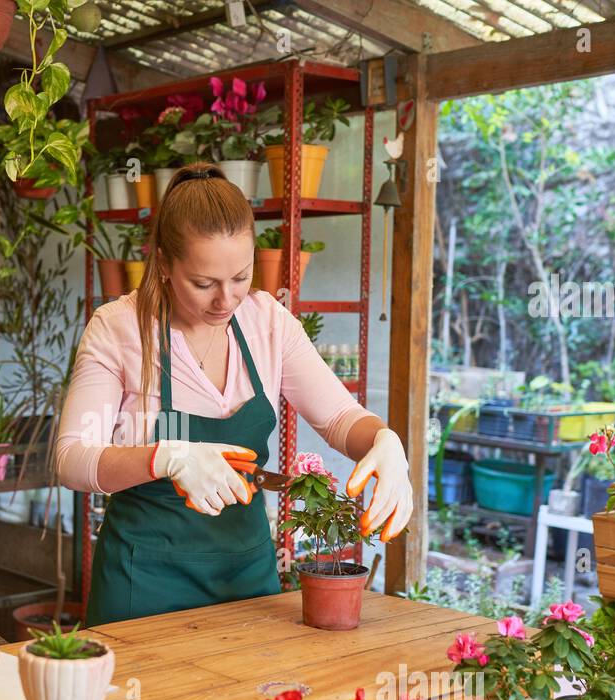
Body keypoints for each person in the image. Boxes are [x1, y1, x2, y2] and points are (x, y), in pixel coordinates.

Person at [55, 163, 412, 627]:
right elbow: (71, 458)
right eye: (203, 284)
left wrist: (385, 441)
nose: (226, 300)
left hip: (247, 580)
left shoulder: (268, 323)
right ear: (163, 263)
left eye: (241, 277)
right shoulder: (120, 329)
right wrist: (165, 458)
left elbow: (341, 418)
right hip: (142, 583)